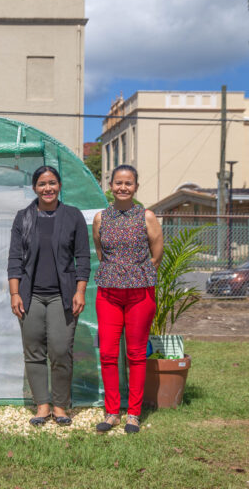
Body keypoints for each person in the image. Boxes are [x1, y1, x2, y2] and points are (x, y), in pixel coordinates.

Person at [7, 165, 91, 426]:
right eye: (42, 184)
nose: (48, 188)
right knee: (33, 352)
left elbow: (83, 258)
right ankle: (42, 406)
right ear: (34, 188)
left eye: (52, 183)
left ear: (60, 186)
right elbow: (14, 259)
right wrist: (14, 293)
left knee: (60, 350)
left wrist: (79, 291)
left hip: (61, 297)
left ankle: (60, 405)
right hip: (30, 297)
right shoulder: (23, 217)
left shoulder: (72, 216)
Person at [92, 164, 163, 434]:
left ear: (136, 187)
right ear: (110, 186)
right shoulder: (101, 218)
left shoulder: (147, 216)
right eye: (118, 183)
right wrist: (117, 273)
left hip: (140, 294)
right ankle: (112, 412)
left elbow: (157, 253)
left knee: (135, 354)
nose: (123, 187)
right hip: (108, 293)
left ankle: (133, 413)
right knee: (109, 354)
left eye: (129, 183)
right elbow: (101, 251)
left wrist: (137, 274)